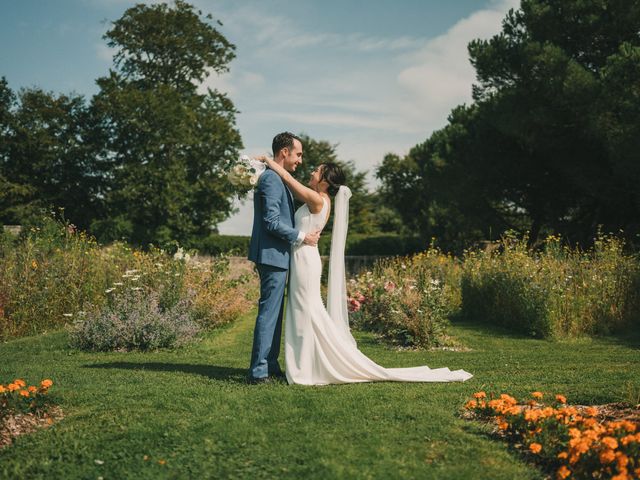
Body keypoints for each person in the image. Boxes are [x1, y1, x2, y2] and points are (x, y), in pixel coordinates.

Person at [258, 154, 473, 385]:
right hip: (303, 257)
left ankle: (307, 368)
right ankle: (307, 365)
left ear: (324, 181)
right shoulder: (320, 199)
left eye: (317, 171)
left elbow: (288, 179)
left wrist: (266, 161)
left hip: (305, 260)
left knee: (305, 311)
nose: (311, 172)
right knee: (304, 311)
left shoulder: (318, 199)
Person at [247, 132, 320, 384]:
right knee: (269, 312)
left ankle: (270, 364)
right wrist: (302, 237)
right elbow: (271, 222)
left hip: (278, 256)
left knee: (276, 313)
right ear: (284, 152)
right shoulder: (270, 179)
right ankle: (258, 372)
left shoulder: (278, 178)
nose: (300, 160)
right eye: (298, 154)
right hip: (271, 255)